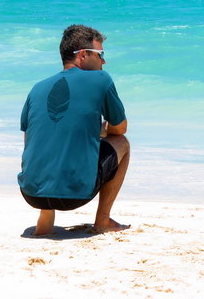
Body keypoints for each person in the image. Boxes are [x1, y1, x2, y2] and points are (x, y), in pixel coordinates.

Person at [18, 25, 130, 235]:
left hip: (32, 193)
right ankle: (103, 220)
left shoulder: (37, 88)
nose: (104, 61)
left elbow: (31, 141)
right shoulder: (101, 79)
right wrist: (102, 131)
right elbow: (120, 127)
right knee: (122, 143)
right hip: (75, 195)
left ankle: (45, 215)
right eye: (101, 54)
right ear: (83, 55)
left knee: (48, 139)